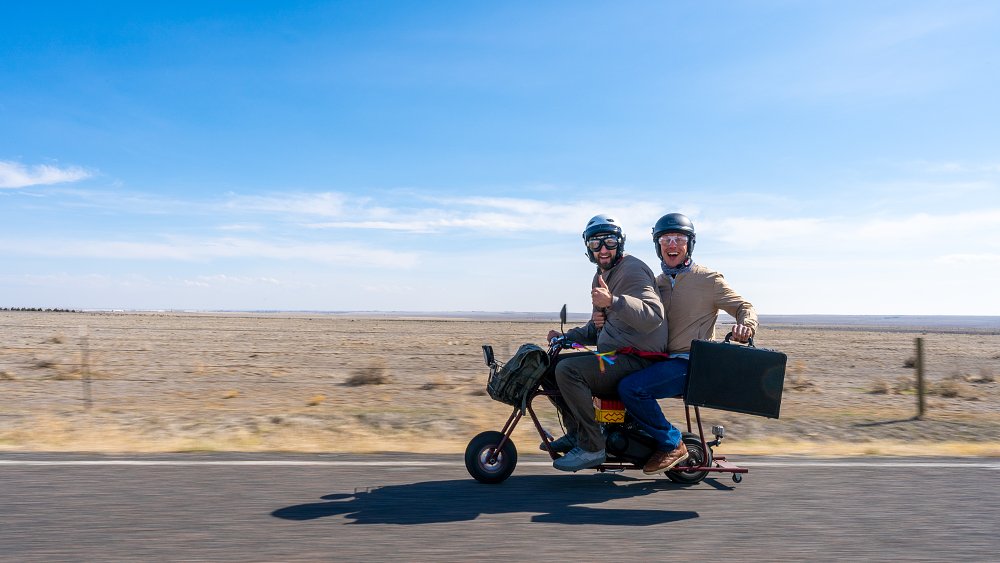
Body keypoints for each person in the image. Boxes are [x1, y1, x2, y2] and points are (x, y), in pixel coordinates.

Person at [610, 213, 757, 475]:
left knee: (632, 389)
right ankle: (628, 442)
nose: (672, 244)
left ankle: (671, 443)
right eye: (665, 239)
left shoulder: (709, 280)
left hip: (691, 362)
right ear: (658, 246)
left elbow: (744, 307)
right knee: (608, 377)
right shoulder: (657, 283)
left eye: (679, 238)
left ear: (689, 244)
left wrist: (746, 326)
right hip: (661, 360)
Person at [543, 214, 669, 472]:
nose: (603, 249)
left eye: (609, 242)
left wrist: (613, 301)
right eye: (595, 243)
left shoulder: (632, 270)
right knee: (549, 366)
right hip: (614, 356)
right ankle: (579, 433)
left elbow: (654, 316)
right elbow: (599, 329)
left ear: (620, 243)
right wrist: (565, 338)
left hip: (638, 360)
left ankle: (592, 446)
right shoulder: (601, 276)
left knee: (569, 371)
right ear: (587, 247)